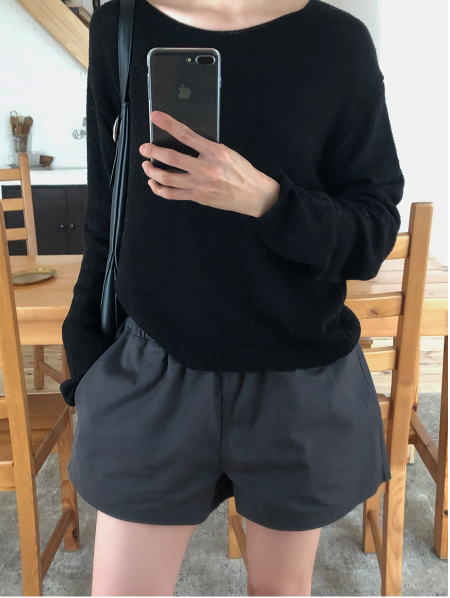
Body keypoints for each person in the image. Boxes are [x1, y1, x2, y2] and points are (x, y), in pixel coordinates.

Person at [60, 0, 404, 595]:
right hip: (152, 367)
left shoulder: (337, 42)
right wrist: (88, 360)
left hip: (295, 374)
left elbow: (371, 233)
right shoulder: (122, 26)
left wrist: (267, 200)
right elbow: (104, 210)